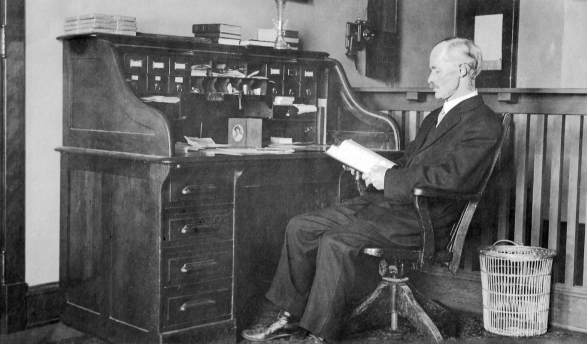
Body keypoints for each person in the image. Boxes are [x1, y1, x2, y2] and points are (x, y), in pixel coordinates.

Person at [242, 37, 503, 343]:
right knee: (301, 227)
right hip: (393, 206)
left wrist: (389, 179)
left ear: (461, 70)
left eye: (435, 69)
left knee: (337, 241)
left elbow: (452, 179)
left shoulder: (483, 123)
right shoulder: (437, 115)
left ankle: (320, 335)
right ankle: (291, 319)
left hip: (424, 220)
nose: (429, 78)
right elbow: (411, 161)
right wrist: (371, 166)